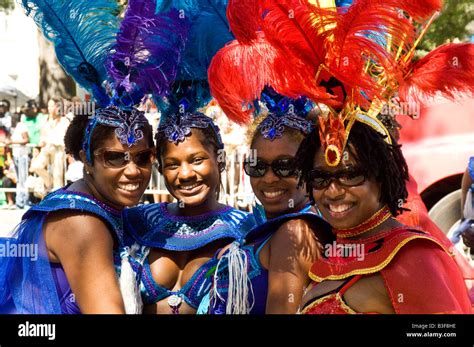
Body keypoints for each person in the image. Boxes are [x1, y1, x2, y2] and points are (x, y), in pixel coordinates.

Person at [296, 120, 471, 314]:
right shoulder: (330, 250)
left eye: (350, 175)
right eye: (320, 178)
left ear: (381, 178)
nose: (333, 191)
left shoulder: (412, 256)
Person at [0, 107, 155, 314]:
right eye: (115, 158)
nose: (133, 170)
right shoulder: (83, 224)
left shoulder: (83, 198)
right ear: (87, 160)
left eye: (143, 157)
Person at [204, 92, 331, 314]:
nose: (269, 178)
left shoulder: (294, 233)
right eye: (258, 166)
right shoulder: (271, 227)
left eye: (285, 166)